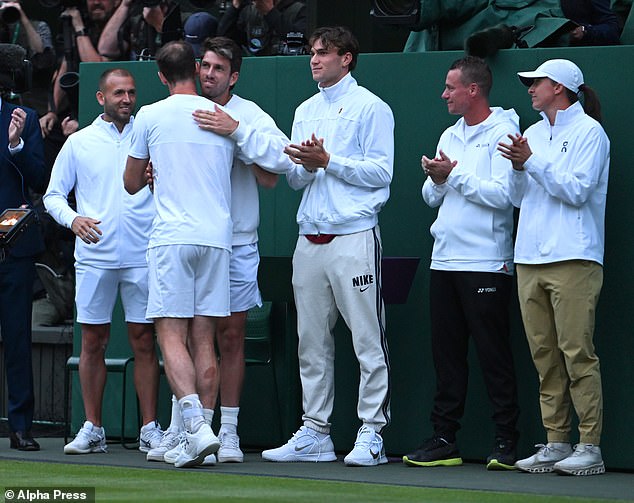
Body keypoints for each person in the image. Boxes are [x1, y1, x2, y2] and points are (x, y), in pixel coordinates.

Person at [146, 35, 292, 465]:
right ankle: (185, 431)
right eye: (204, 66)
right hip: (192, 240)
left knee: (228, 337)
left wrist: (238, 133)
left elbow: (279, 166)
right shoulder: (172, 114)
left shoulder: (245, 114)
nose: (209, 74)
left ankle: (224, 433)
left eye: (218, 69)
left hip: (236, 243)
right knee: (186, 336)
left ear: (234, 76)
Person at [260, 26, 394, 467]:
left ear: (347, 58)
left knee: (367, 339)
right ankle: (316, 432)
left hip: (354, 236)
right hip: (309, 239)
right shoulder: (304, 110)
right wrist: (304, 165)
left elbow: (381, 173)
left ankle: (371, 432)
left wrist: (328, 161)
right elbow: (298, 180)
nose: (314, 59)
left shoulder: (372, 107)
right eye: (311, 53)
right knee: (310, 343)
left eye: (323, 53)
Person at [402, 56, 521, 471]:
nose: (444, 94)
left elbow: (504, 197)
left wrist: (452, 177)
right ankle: (444, 438)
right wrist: (437, 179)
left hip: (487, 262)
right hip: (445, 260)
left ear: (473, 90)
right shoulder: (449, 134)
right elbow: (430, 198)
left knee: (493, 355)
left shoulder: (505, 132)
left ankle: (506, 440)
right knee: (447, 356)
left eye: (450, 87)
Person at [123, 40, 235, 468]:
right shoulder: (221, 117)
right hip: (216, 239)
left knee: (170, 334)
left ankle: (193, 426)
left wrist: (152, 170)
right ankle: (202, 431)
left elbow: (132, 182)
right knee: (204, 337)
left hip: (172, 238)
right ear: (195, 68)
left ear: (160, 76)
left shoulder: (149, 115)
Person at [498, 59, 609, 476]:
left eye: (536, 82)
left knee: (577, 353)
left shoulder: (589, 132)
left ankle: (590, 446)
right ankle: (557, 441)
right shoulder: (529, 133)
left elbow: (578, 191)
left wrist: (533, 162)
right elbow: (517, 197)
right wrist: (517, 166)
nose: (529, 88)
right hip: (529, 258)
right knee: (544, 356)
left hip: (574, 257)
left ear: (559, 87)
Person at [43, 68, 162, 455]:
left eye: (130, 92)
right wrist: (73, 219)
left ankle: (149, 428)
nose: (126, 99)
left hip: (143, 254)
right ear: (101, 98)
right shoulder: (79, 142)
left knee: (145, 340)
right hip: (94, 256)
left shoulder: (150, 136)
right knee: (93, 340)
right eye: (118, 94)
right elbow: (53, 196)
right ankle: (93, 427)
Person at [0, 86, 47, 452]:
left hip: (12, 248)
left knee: (18, 338)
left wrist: (14, 145)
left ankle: (20, 427)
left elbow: (39, 180)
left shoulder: (23, 118)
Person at [218, 0, 307, 56]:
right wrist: (235, 6)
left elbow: (299, 42)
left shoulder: (298, 9)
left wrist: (270, 12)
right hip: (255, 69)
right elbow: (223, 41)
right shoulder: (248, 11)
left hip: (287, 69)